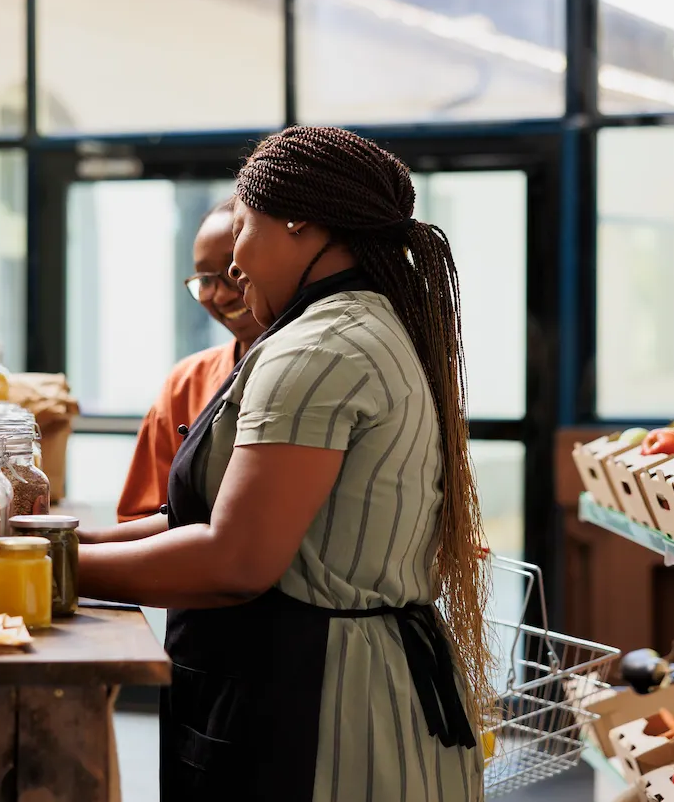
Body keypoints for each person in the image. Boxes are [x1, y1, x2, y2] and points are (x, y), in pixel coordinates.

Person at [80, 126, 489, 801]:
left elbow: (237, 558)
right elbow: (212, 516)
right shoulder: (358, 326)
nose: (234, 266)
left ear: (299, 222)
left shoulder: (318, 349)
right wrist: (69, 544)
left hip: (323, 715)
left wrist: (51, 571)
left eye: (242, 229)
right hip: (329, 688)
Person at [115, 196, 266, 522]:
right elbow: (140, 515)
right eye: (206, 281)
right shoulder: (186, 382)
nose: (223, 294)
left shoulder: (314, 368)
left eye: (233, 270)